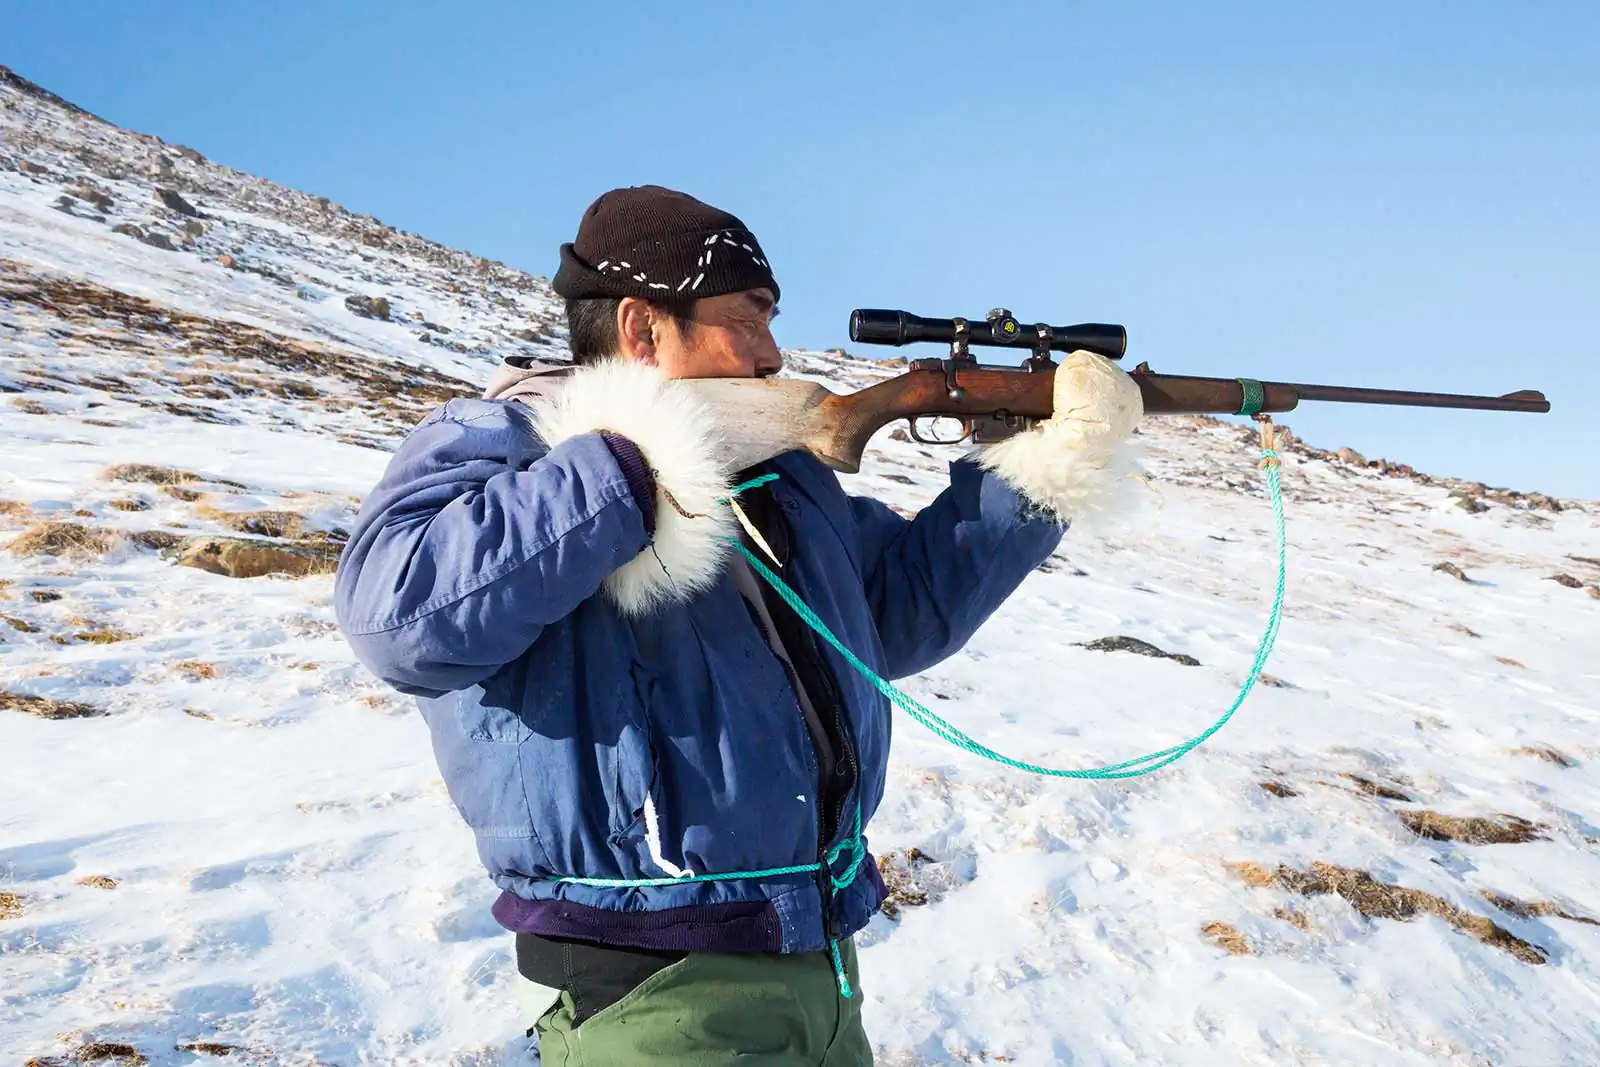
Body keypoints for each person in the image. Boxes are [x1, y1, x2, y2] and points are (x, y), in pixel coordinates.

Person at [333, 185, 1142, 1065]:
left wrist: (1041, 471)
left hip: (820, 960)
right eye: (746, 319)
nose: (770, 352)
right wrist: (631, 471)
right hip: (653, 978)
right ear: (643, 329)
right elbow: (398, 617)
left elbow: (893, 621)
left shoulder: (777, 472)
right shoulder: (503, 441)